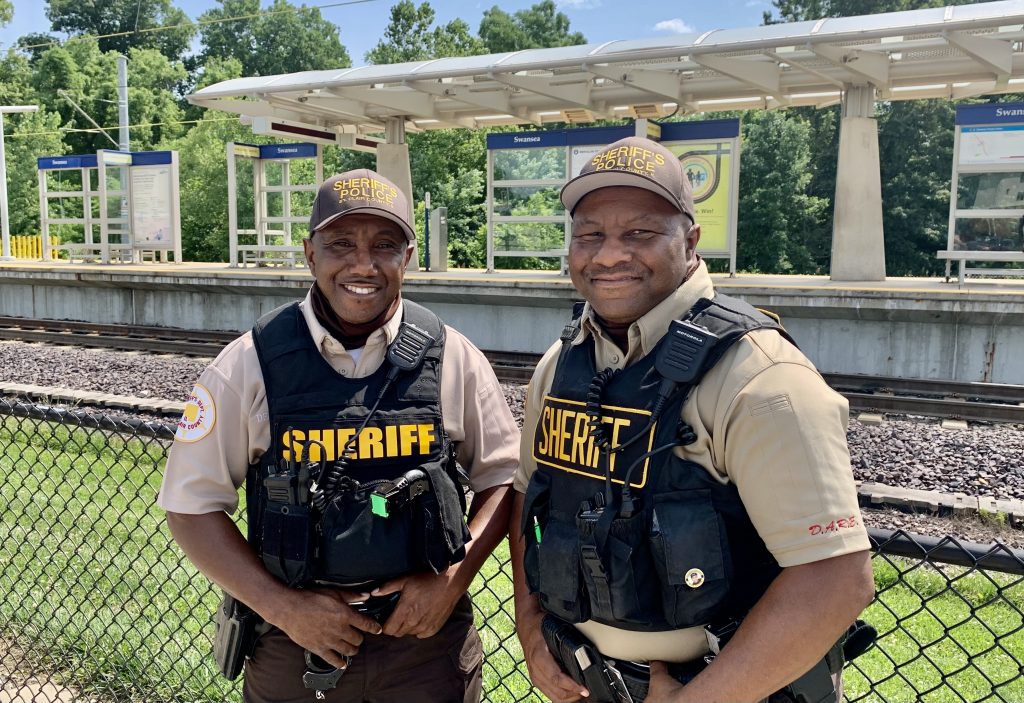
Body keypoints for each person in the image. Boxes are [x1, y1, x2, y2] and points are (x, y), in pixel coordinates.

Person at [509, 137, 875, 703]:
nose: (608, 256)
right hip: (584, 682)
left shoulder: (759, 375)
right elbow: (526, 494)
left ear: (691, 240)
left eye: (640, 233)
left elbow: (834, 579)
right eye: (589, 235)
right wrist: (530, 626)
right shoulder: (561, 365)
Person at [159, 169, 519, 703]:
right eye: (341, 244)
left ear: (407, 257)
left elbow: (506, 478)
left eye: (385, 246)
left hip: (425, 647)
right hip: (295, 645)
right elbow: (190, 505)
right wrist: (282, 608)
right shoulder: (251, 362)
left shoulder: (451, 356)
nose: (363, 265)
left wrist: (451, 580)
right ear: (310, 253)